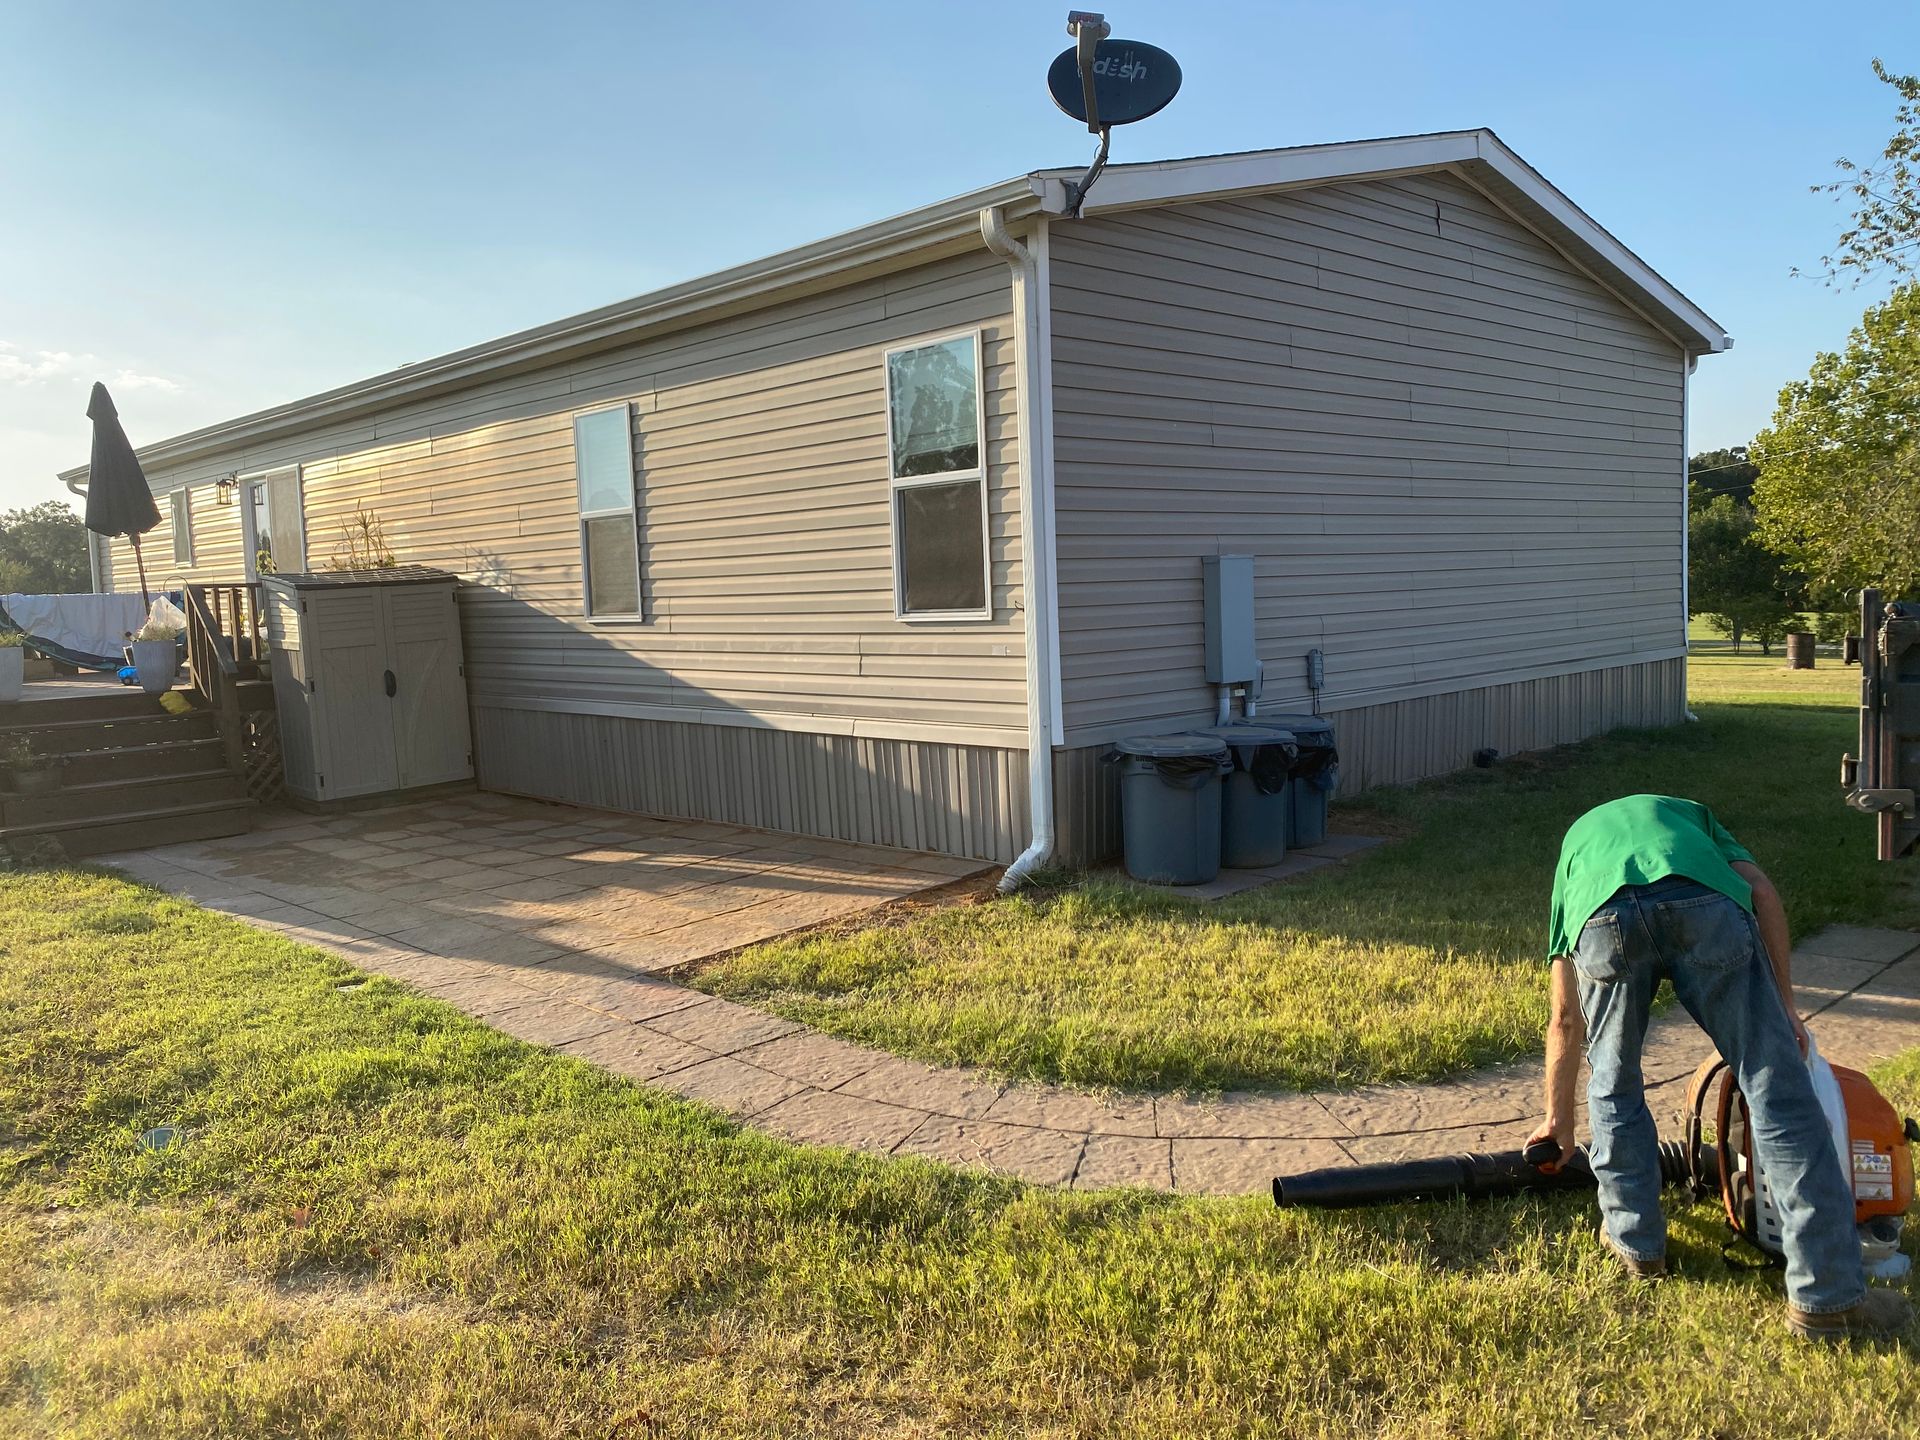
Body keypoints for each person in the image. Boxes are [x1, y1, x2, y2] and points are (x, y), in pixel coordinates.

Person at [1527, 793, 1911, 1341]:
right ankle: (1826, 1298)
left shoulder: (1576, 851)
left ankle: (1638, 1248)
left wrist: (1557, 1121)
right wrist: (1785, 1008)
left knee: (1614, 1083)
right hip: (1703, 908)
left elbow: (1566, 1018)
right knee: (1776, 1090)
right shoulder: (1693, 817)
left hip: (1603, 917)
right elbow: (1759, 893)